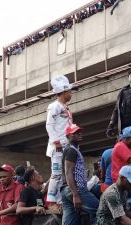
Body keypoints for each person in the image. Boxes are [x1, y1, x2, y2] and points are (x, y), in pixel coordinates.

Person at [61, 124, 99, 225]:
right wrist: (75, 194)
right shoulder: (71, 150)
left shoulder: (72, 150)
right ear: (68, 136)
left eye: (79, 132)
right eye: (75, 133)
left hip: (66, 190)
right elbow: (68, 172)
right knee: (102, 211)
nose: (79, 134)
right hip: (76, 190)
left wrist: (83, 175)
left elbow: (71, 172)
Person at [46, 75, 73, 205]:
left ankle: (60, 200)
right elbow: (49, 124)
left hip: (65, 144)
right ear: (63, 91)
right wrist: (56, 141)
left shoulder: (65, 107)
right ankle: (51, 201)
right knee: (56, 173)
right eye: (69, 91)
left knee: (64, 174)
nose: (71, 93)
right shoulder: (54, 106)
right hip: (57, 146)